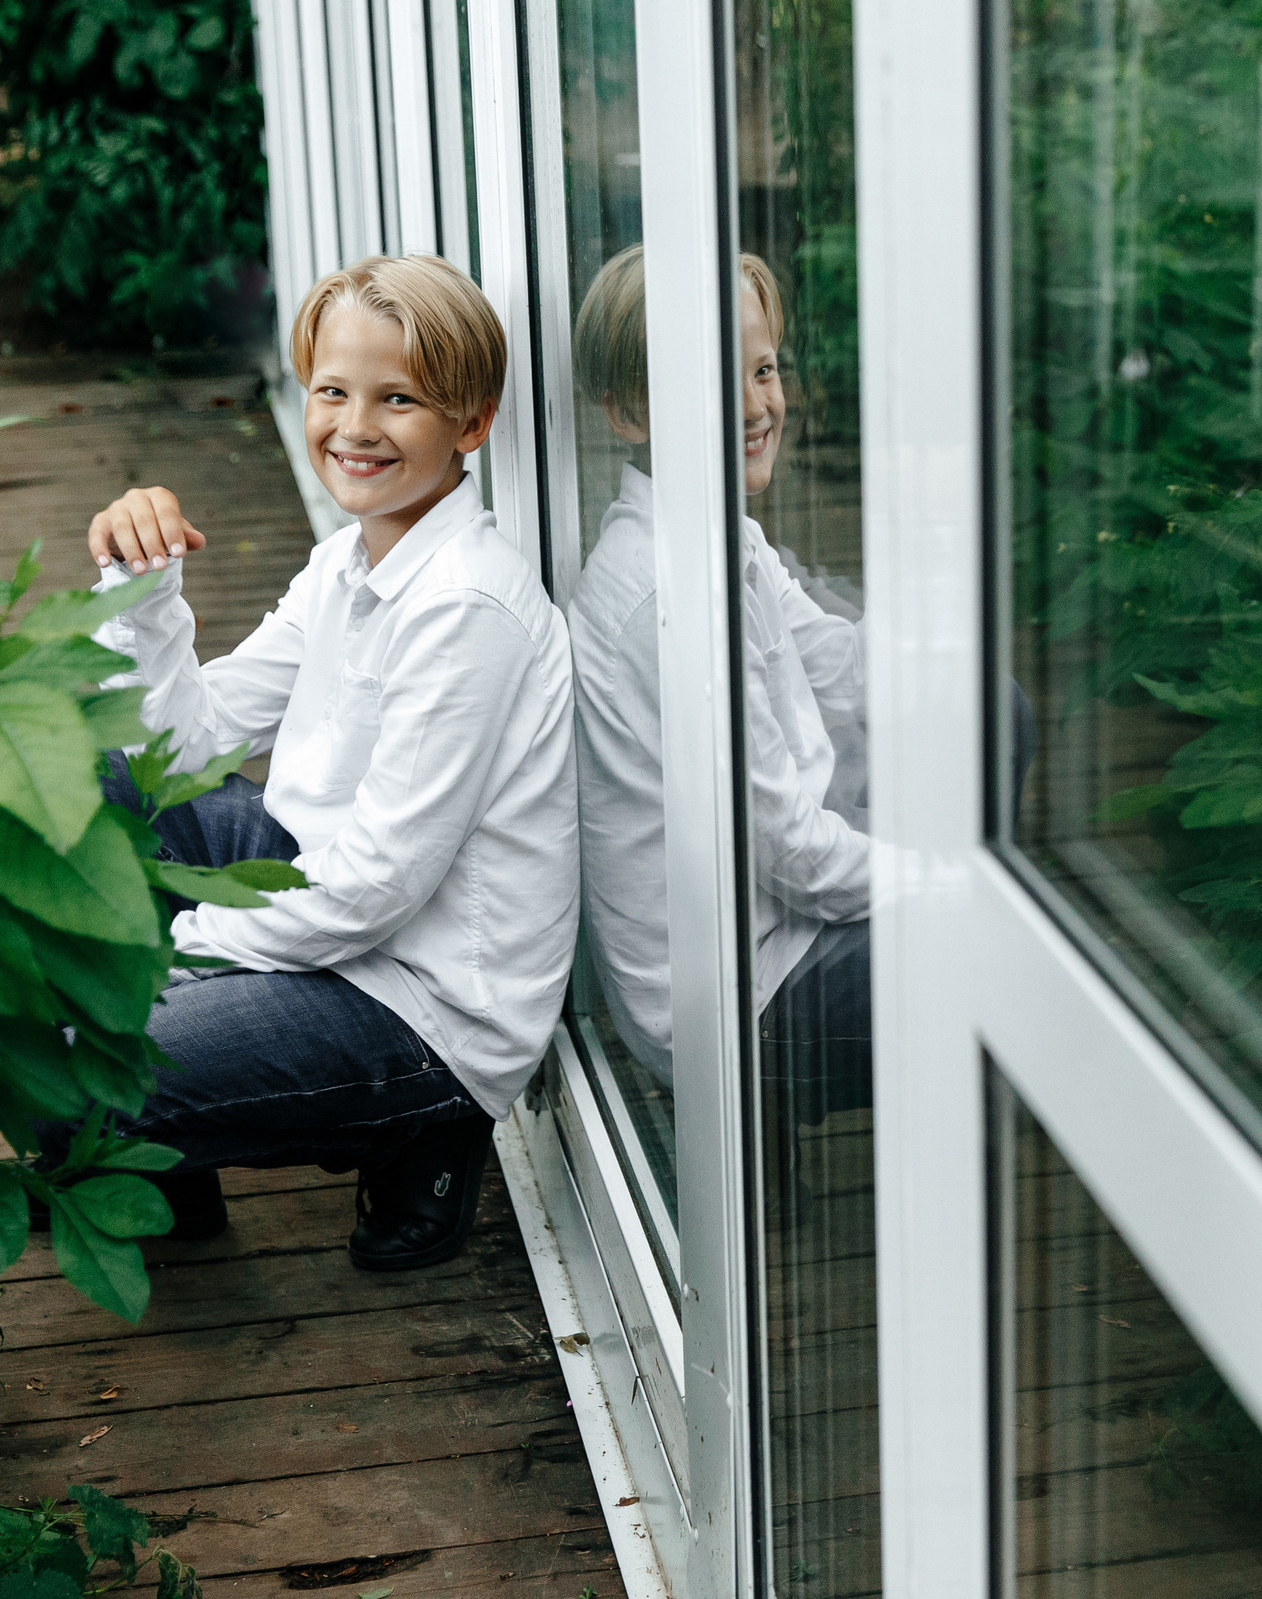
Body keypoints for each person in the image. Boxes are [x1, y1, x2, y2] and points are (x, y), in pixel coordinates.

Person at [51, 254, 579, 1272]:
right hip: (324, 886)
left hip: (423, 1001)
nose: (353, 426)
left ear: (471, 423)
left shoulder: (467, 607)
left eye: (399, 400)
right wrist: (145, 590)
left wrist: (178, 955)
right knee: (77, 793)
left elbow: (375, 889)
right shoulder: (351, 559)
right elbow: (180, 749)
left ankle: (420, 1123)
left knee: (86, 1061)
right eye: (332, 391)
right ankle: (166, 1172)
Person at [566, 246, 873, 1137]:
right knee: (995, 941)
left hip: (773, 914)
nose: (754, 405)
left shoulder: (719, 534)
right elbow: (797, 858)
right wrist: (950, 881)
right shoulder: (672, 598)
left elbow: (841, 669)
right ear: (629, 412)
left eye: (764, 369)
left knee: (988, 712)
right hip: (740, 1000)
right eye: (712, 378)